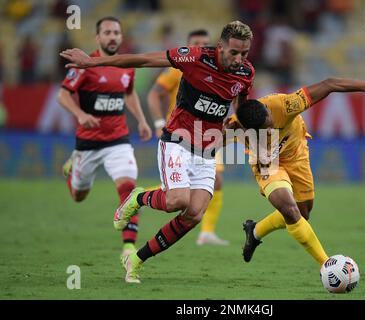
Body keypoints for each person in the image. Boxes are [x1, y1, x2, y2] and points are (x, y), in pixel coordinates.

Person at [60, 21, 255, 283]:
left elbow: (240, 109)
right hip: (177, 141)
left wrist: (242, 128)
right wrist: (92, 63)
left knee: (194, 214)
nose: (239, 59)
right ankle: (138, 198)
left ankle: (136, 259)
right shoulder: (195, 57)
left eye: (245, 53)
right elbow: (143, 59)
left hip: (207, 151)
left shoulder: (245, 73)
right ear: (220, 46)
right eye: (234, 52)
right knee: (177, 201)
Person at [231, 76, 365, 265]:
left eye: (271, 120)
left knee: (302, 212)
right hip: (268, 164)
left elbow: (329, 84)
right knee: (289, 210)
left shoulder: (286, 105)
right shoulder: (235, 126)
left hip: (296, 154)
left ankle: (255, 231)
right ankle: (327, 264)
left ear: (267, 109)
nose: (272, 125)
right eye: (267, 128)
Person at [58, 17, 152, 260]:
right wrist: (80, 115)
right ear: (97, 37)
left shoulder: (126, 65)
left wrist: (141, 120)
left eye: (116, 32)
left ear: (121, 37)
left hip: (118, 140)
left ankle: (129, 248)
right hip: (88, 144)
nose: (113, 36)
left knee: (129, 191)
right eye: (107, 32)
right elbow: (63, 96)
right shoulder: (84, 65)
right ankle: (73, 171)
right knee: (79, 195)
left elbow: (129, 92)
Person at [147, 29, 229, 246]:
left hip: (206, 138)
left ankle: (207, 232)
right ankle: (143, 197)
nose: (201, 46)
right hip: (179, 135)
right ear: (188, 45)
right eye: (196, 43)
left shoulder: (220, 70)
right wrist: (157, 123)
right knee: (178, 197)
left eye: (204, 43)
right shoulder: (179, 68)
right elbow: (155, 93)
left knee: (216, 181)